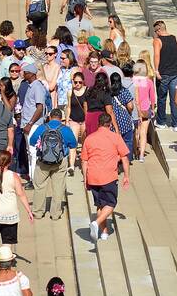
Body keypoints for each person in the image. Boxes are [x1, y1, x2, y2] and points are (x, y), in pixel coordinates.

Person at [81, 115, 130, 244]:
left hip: (93, 176)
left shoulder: (89, 138)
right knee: (110, 204)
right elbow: (124, 158)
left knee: (100, 205)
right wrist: (126, 176)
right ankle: (96, 223)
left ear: (99, 123)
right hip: (109, 176)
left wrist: (85, 178)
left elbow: (84, 161)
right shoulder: (115, 137)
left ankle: (104, 232)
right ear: (110, 124)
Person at [29, 107, 75, 221]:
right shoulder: (66, 129)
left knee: (40, 186)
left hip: (43, 162)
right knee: (58, 188)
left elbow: (32, 141)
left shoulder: (42, 127)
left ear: (50, 117)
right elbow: (73, 144)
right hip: (60, 162)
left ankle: (38, 212)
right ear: (61, 118)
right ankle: (55, 214)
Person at [152, 20, 177, 131]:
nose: (155, 33)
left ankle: (161, 122)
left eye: (155, 31)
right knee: (175, 99)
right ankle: (176, 124)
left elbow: (156, 56)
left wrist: (156, 70)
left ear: (159, 30)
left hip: (163, 74)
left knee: (161, 98)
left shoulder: (157, 41)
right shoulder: (176, 39)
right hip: (175, 74)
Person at [19, 59, 49, 179]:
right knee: (30, 152)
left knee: (33, 152)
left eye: (25, 73)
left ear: (31, 74)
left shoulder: (37, 87)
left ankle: (35, 179)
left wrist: (30, 124)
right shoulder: (30, 86)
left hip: (34, 125)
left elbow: (40, 107)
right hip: (28, 123)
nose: (24, 74)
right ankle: (32, 177)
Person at [132, 59, 155, 162]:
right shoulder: (149, 81)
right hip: (146, 108)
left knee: (136, 132)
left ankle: (135, 151)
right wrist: (153, 109)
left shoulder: (133, 81)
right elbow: (152, 97)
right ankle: (142, 155)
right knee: (143, 132)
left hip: (135, 109)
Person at [109, 71, 136, 156]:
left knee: (114, 143)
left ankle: (116, 158)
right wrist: (129, 113)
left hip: (113, 121)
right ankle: (127, 158)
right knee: (127, 141)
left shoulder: (108, 93)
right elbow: (130, 106)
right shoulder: (124, 91)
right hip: (125, 120)